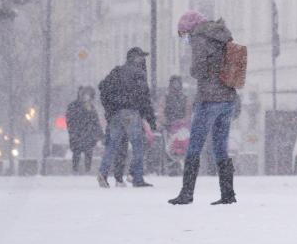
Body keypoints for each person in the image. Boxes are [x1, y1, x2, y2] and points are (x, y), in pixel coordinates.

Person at [169, 11, 239, 206]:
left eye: (184, 33)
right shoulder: (222, 34)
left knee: (195, 146)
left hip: (209, 98)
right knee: (220, 147)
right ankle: (228, 193)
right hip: (227, 98)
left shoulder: (199, 38)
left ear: (189, 28)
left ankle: (186, 193)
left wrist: (193, 70)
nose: (185, 38)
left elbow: (199, 69)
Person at [97, 47, 155, 188]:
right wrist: (149, 117)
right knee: (138, 145)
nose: (143, 60)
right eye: (141, 57)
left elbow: (102, 87)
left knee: (112, 145)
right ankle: (137, 177)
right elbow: (144, 97)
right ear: (135, 58)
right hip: (131, 112)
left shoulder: (117, 71)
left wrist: (110, 108)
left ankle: (103, 172)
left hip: (116, 113)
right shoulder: (139, 73)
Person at [66, 87, 103, 174]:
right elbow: (70, 120)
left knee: (88, 153)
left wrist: (100, 134)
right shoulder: (74, 106)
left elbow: (95, 121)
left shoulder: (90, 106)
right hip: (78, 133)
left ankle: (86, 170)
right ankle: (75, 170)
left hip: (87, 134)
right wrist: (73, 131)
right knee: (77, 153)